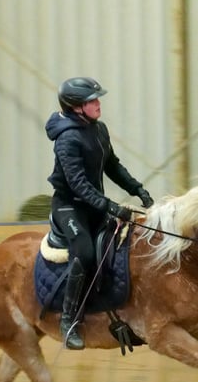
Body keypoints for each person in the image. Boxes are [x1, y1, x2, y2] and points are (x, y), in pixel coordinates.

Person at [46, 77, 154, 350]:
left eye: (97, 99)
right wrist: (110, 206)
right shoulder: (66, 139)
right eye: (92, 101)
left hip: (94, 204)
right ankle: (69, 321)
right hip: (69, 207)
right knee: (84, 252)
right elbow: (78, 184)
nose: (98, 104)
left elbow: (113, 166)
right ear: (76, 107)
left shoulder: (99, 129)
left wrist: (138, 189)